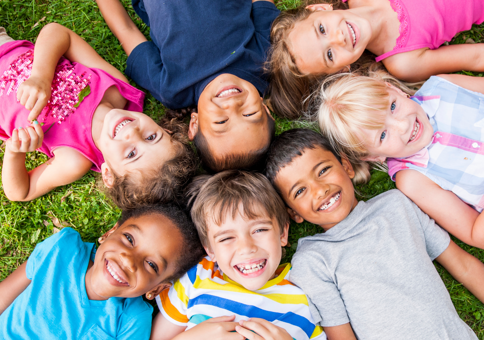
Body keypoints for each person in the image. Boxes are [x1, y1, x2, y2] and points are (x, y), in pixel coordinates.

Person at [264, 128, 484, 339]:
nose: (320, 190)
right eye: (300, 191)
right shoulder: (313, 260)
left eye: (323, 170)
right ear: (294, 213)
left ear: (346, 166)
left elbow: (463, 266)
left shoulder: (397, 205)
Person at [0, 24, 197, 208]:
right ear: (166, 129)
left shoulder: (74, 160)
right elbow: (58, 33)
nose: (132, 133)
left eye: (131, 154)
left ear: (108, 174)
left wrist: (14, 151)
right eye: (152, 137)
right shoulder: (116, 88)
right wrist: (41, 75)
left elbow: (21, 191)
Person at [95, 0, 278, 172]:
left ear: (195, 124)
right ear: (265, 109)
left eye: (221, 121)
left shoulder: (171, 89)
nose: (232, 105)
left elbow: (126, 31)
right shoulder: (265, 61)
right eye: (250, 114)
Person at [315, 70, 484, 248]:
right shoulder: (413, 178)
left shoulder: (443, 86)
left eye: (393, 107)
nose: (403, 126)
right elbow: (475, 233)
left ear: (394, 89)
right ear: (373, 156)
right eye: (382, 135)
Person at [150, 171, 325, 340]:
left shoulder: (306, 296)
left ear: (282, 234)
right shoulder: (197, 277)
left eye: (259, 230)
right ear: (210, 250)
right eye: (226, 238)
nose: (246, 248)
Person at [0, 204, 205, 339]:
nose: (128, 260)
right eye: (130, 239)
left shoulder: (132, 319)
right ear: (109, 233)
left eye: (151, 265)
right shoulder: (63, 249)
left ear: (157, 289)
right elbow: (6, 293)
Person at [268, 0, 484, 119]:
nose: (338, 38)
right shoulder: (404, 62)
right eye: (330, 55)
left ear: (319, 8)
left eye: (322, 29)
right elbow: (475, 57)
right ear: (343, 69)